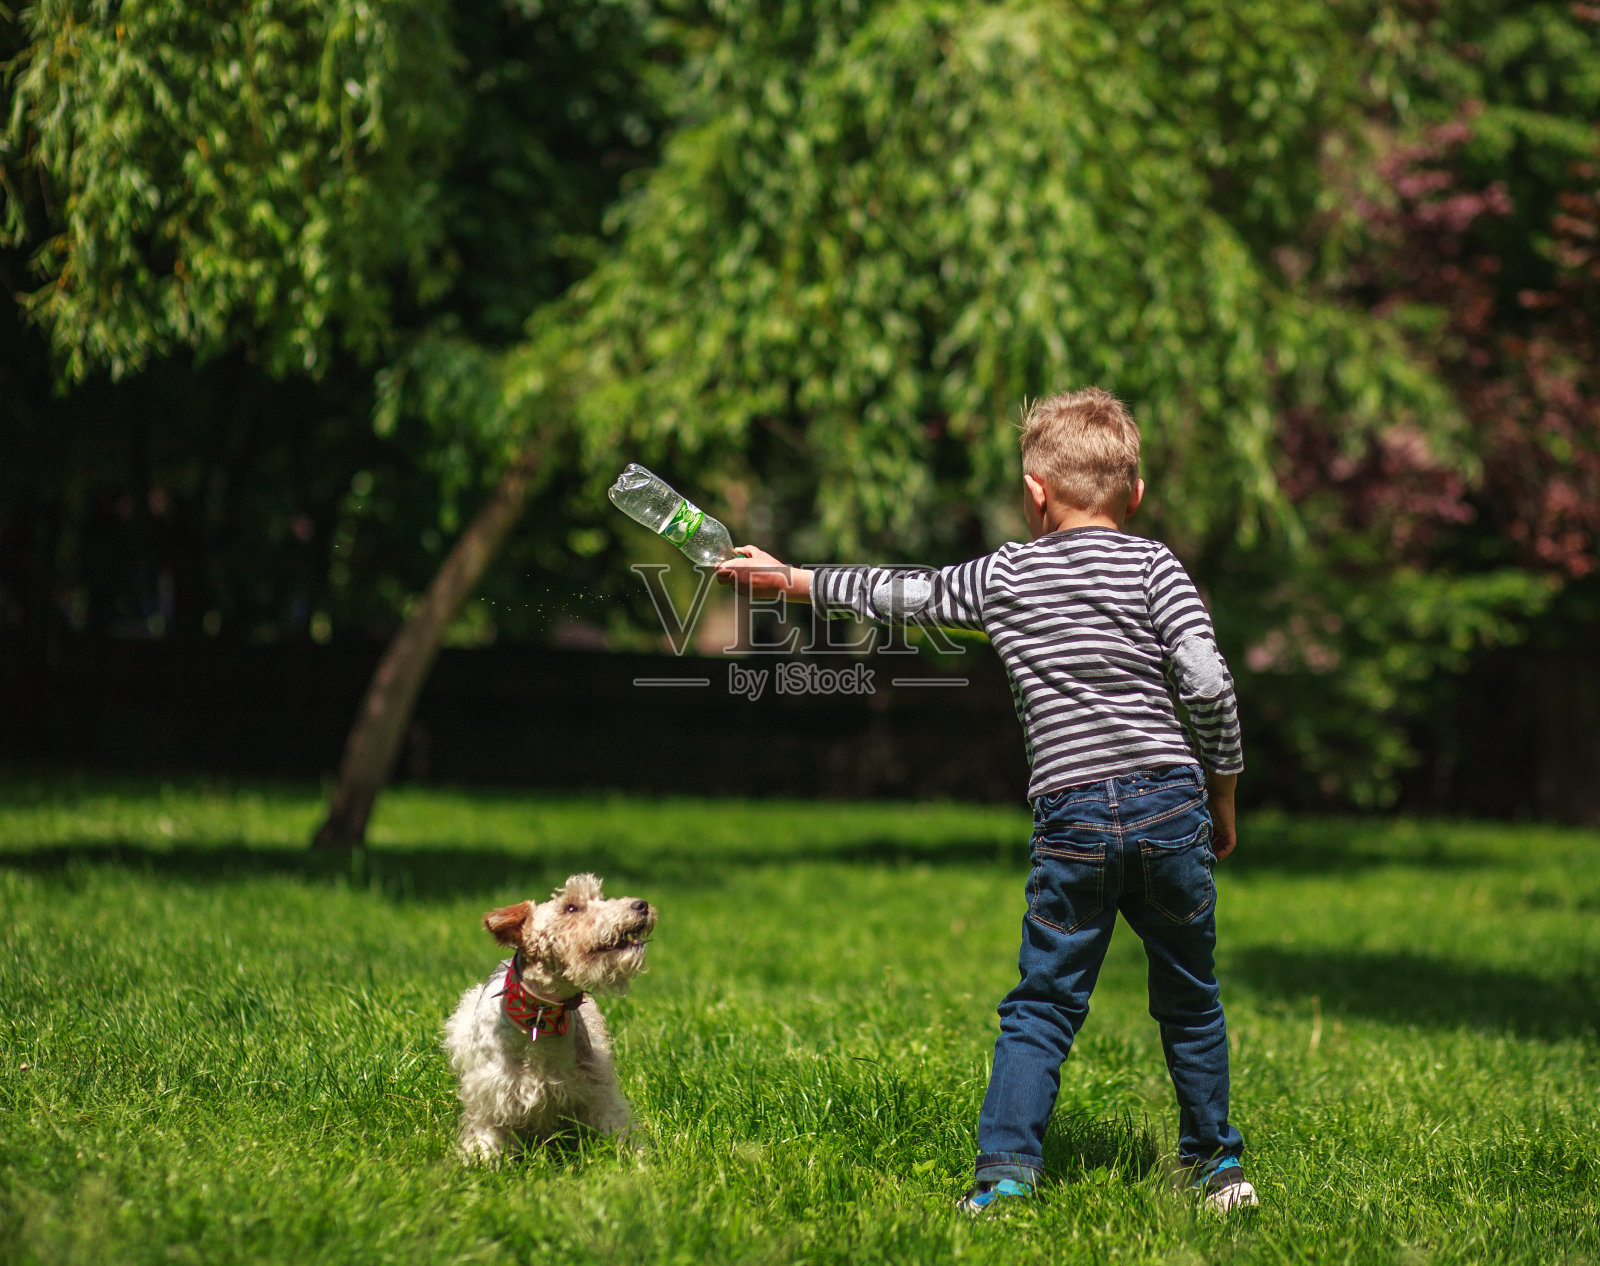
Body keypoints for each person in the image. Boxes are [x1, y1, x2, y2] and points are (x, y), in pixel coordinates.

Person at [714, 387, 1257, 1214]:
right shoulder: (1158, 567)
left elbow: (906, 594)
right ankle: (1219, 1171)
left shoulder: (1006, 573)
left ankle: (1005, 1177)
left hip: (1071, 811)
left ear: (1035, 493)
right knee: (1189, 996)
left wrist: (790, 579)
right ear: (1135, 495)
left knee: (1044, 1003)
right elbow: (1209, 683)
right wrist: (1221, 790)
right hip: (1168, 803)